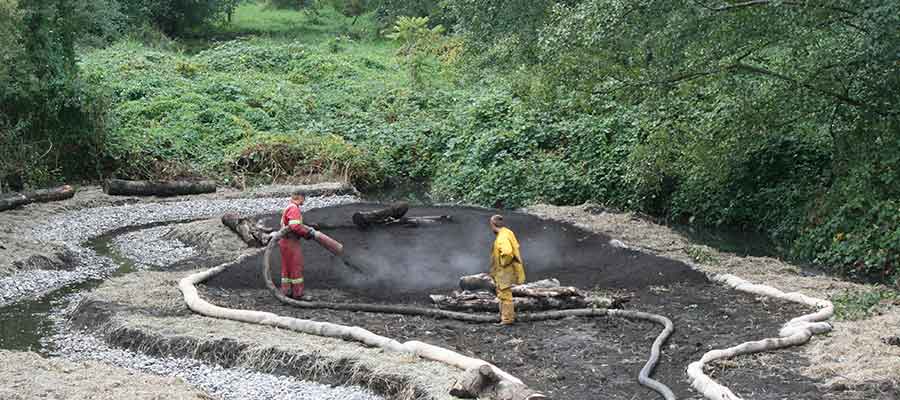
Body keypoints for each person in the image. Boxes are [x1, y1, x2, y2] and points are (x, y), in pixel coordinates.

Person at [279, 190, 317, 299]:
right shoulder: (294, 208)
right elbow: (295, 227)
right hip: (291, 242)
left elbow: (291, 224)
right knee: (296, 266)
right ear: (300, 197)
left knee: (287, 267)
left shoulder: (288, 207)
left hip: (285, 242)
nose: (304, 200)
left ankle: (286, 291)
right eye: (304, 198)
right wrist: (307, 233)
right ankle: (298, 293)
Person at [489, 214, 526, 325]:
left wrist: (503, 263)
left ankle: (507, 320)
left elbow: (508, 252)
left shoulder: (502, 237)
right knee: (502, 292)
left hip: (505, 270)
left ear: (492, 224)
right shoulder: (507, 232)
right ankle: (503, 315)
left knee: (505, 294)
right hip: (509, 269)